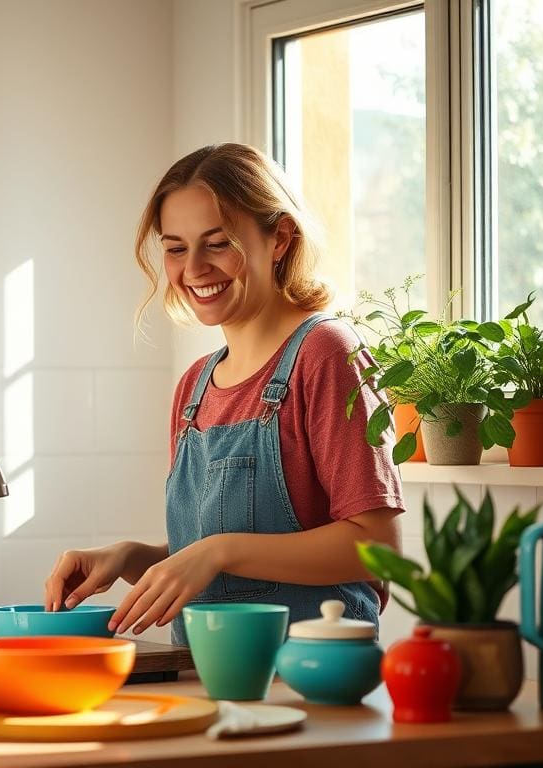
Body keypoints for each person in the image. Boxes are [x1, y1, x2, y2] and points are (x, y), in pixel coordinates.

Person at [44, 142, 404, 645]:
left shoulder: (326, 353)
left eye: (217, 243)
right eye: (175, 248)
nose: (193, 269)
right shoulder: (194, 386)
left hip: (306, 687)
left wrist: (217, 550)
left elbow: (376, 547)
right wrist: (133, 556)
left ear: (279, 238)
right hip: (203, 681)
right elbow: (221, 560)